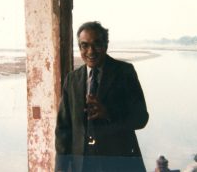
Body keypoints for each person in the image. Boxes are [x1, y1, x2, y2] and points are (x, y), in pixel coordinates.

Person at [55, 21, 149, 172]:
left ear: (106, 45)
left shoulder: (125, 72)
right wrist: (60, 167)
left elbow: (141, 118)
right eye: (84, 45)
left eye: (96, 44)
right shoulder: (71, 79)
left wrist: (109, 113)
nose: (91, 51)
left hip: (118, 163)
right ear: (79, 48)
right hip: (81, 165)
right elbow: (63, 128)